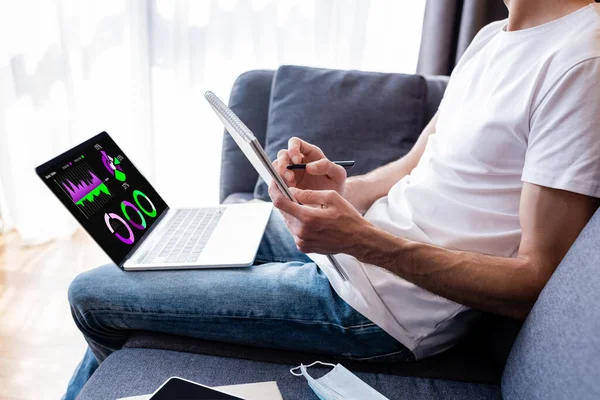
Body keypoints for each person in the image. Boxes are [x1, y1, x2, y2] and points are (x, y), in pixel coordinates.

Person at [64, 0, 600, 398]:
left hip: (378, 309)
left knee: (93, 295)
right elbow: (416, 166)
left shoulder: (581, 60)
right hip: (351, 254)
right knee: (158, 242)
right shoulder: (490, 38)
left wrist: (362, 240)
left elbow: (533, 279)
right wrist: (342, 192)